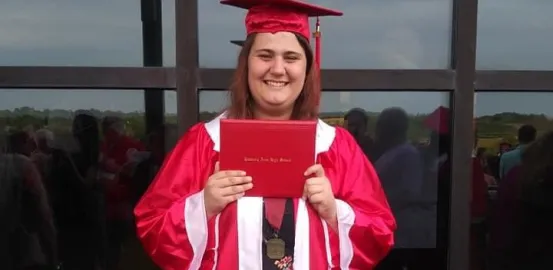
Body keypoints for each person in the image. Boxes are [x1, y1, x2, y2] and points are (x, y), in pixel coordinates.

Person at [134, 0, 396, 269]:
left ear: (307, 69)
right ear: (246, 64)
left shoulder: (336, 148)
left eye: (291, 57)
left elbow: (380, 231)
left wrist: (334, 212)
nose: (278, 69)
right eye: (265, 55)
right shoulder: (204, 143)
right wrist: (203, 205)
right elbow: (152, 226)